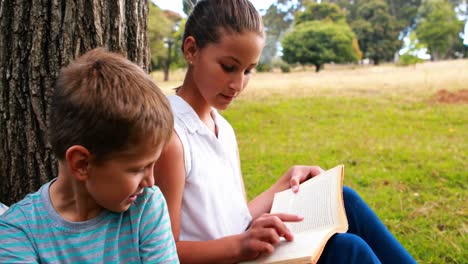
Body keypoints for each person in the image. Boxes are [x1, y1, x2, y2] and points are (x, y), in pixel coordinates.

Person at [154, 0, 416, 263]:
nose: (237, 84)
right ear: (191, 50)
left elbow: (237, 218)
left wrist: (286, 183)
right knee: (348, 250)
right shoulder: (172, 137)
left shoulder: (221, 125)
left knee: (345, 199)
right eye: (229, 67)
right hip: (227, 257)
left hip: (244, 249)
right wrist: (240, 246)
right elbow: (165, 250)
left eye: (248, 70)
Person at [0, 48, 179, 263]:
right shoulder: (19, 232)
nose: (150, 182)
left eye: (153, 165)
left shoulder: (145, 208)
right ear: (82, 163)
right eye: (138, 168)